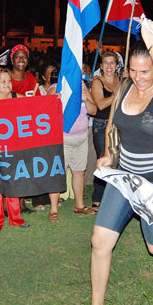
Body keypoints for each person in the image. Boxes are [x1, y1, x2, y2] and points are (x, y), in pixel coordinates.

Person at [69, 20, 153, 305]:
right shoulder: (124, 87)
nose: (138, 77)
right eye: (133, 70)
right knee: (99, 241)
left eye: (145, 71)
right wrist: (109, 154)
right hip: (125, 178)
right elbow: (114, 128)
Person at [0, 68, 30, 233]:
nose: (8, 84)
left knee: (14, 182)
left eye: (9, 81)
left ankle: (15, 217)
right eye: (3, 81)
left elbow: (37, 107)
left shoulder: (19, 98)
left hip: (14, 147)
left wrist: (54, 100)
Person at [48, 73, 98, 220]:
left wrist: (85, 99)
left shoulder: (83, 88)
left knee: (79, 172)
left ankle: (79, 205)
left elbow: (94, 111)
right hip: (62, 139)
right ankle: (53, 210)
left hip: (81, 139)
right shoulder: (56, 88)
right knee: (58, 173)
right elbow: (48, 111)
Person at [9, 44, 44, 212]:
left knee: (24, 165)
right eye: (18, 56)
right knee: (9, 166)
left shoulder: (31, 79)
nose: (21, 60)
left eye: (24, 56)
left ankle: (21, 203)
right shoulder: (5, 77)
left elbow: (37, 103)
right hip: (8, 129)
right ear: (12, 59)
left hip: (25, 128)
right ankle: (7, 204)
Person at [89, 50, 120, 211]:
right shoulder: (97, 82)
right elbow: (100, 104)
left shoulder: (121, 80)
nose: (109, 66)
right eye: (106, 62)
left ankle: (114, 197)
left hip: (118, 126)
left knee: (118, 162)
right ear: (101, 66)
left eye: (112, 63)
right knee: (104, 160)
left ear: (117, 66)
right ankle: (97, 198)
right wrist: (116, 95)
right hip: (101, 126)